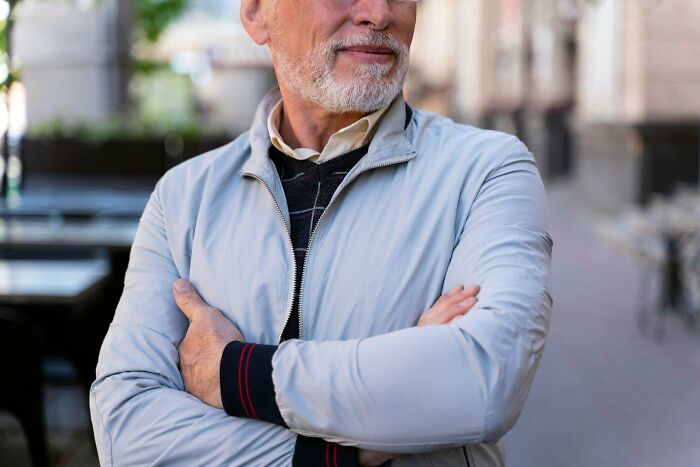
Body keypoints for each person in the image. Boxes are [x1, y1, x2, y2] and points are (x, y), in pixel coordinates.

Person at [89, 0, 553, 465]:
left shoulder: (487, 171)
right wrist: (357, 446)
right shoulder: (184, 197)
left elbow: (482, 382)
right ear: (255, 14)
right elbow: (126, 430)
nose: (379, 13)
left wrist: (232, 372)